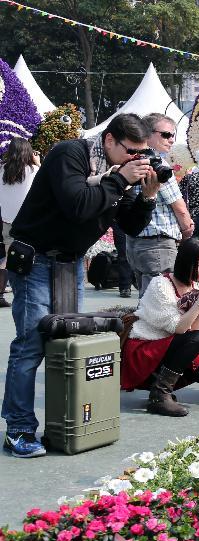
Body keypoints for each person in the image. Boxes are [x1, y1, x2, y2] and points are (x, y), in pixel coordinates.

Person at [4, 113, 157, 457]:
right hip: (36, 258)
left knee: (66, 343)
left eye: (141, 153)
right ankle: (18, 430)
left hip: (70, 263)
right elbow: (77, 205)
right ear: (109, 140)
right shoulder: (70, 154)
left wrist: (147, 195)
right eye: (131, 151)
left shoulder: (121, 173)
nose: (137, 159)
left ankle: (68, 423)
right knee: (31, 344)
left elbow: (130, 225)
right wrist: (119, 179)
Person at [121, 238, 199, 417]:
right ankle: (160, 394)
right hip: (145, 348)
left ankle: (159, 387)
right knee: (198, 340)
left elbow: (195, 328)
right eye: (198, 264)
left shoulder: (197, 286)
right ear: (186, 262)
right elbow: (179, 328)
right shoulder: (161, 284)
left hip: (170, 347)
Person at [126, 113, 194, 297]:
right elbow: (179, 207)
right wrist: (188, 231)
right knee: (159, 303)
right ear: (147, 134)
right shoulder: (158, 164)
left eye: (173, 135)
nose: (171, 140)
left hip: (135, 243)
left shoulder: (132, 159)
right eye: (166, 135)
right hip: (158, 244)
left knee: (145, 302)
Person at [0, 138, 40, 309]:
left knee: (9, 257)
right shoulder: (33, 170)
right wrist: (39, 162)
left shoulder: (2, 169)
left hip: (7, 220)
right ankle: (25, 294)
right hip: (28, 220)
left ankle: (1, 293)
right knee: (31, 256)